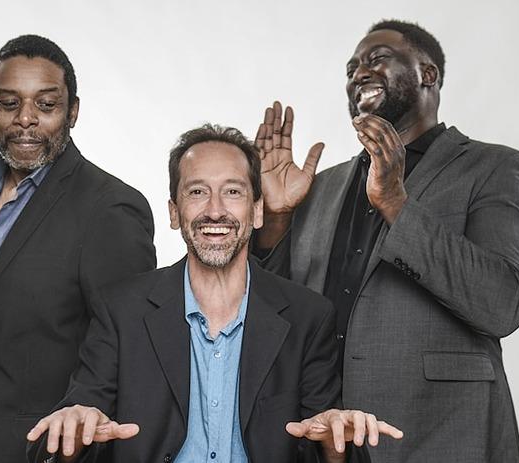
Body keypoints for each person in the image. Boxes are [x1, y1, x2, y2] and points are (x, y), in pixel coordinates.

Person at [26, 124, 403, 463]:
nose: (215, 210)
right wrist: (71, 442)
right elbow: (75, 425)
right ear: (174, 212)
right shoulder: (120, 309)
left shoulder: (308, 317)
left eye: (233, 192)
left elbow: (325, 437)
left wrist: (334, 450)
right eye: (197, 192)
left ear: (257, 211)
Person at [253, 20, 519, 463]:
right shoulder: (319, 186)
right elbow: (279, 310)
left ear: (428, 74)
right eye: (351, 69)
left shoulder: (496, 167)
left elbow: (502, 302)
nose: (358, 74)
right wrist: (275, 219)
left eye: (377, 59)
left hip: (442, 437)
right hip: (326, 439)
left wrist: (396, 203)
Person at [0, 35, 156, 463]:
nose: (26, 119)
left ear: (73, 111)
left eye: (46, 105)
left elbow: (126, 362)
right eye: (9, 103)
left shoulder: (109, 209)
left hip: (43, 456)